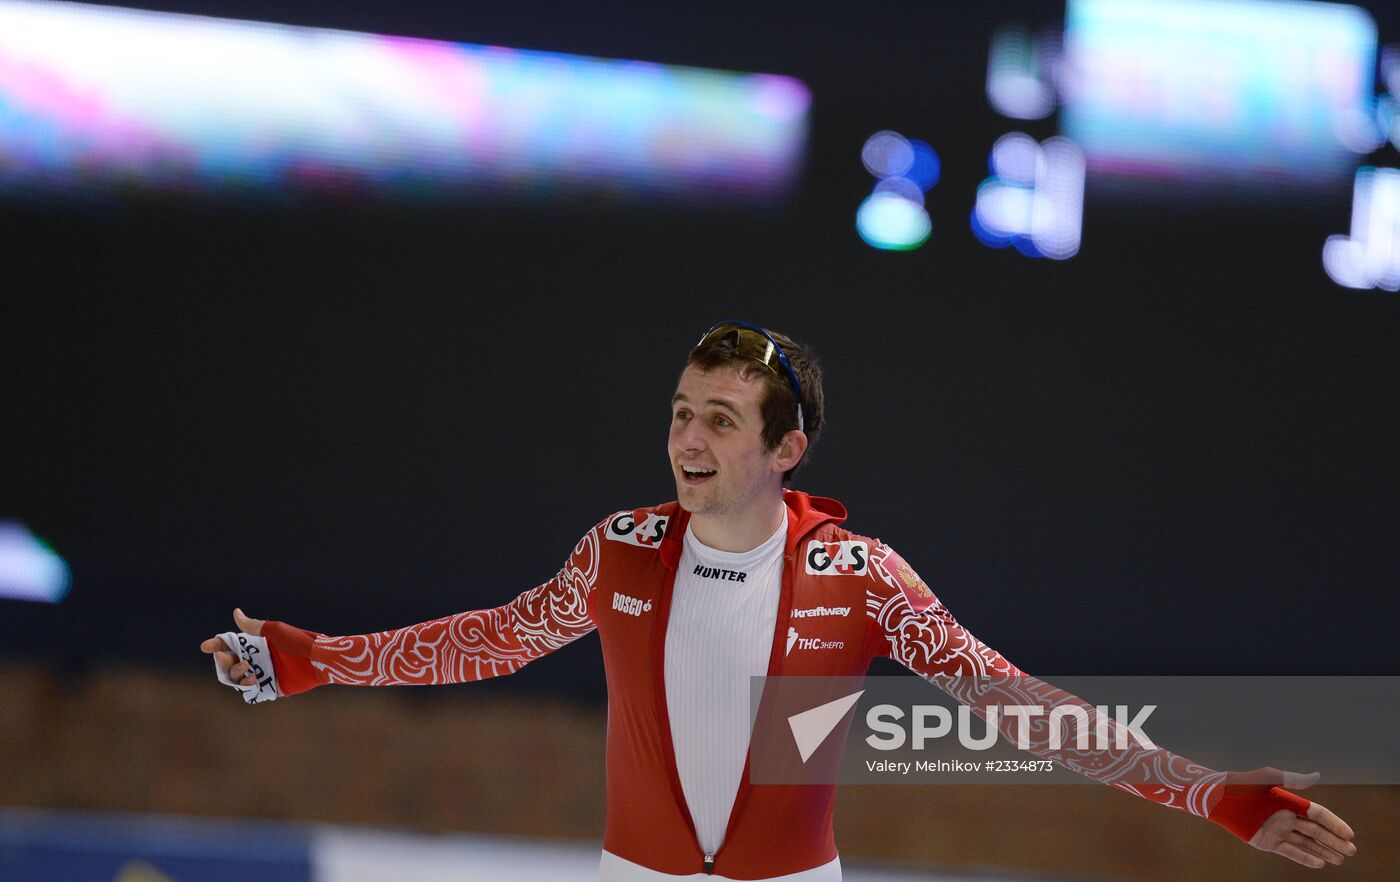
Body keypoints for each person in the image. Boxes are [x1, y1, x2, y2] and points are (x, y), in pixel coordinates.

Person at [203, 321, 1358, 881]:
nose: (684, 439)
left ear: (785, 446)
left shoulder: (862, 578)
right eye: (677, 410)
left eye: (718, 419)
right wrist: (311, 659)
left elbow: (1017, 705)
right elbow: (487, 642)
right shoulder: (622, 550)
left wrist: (1210, 796)